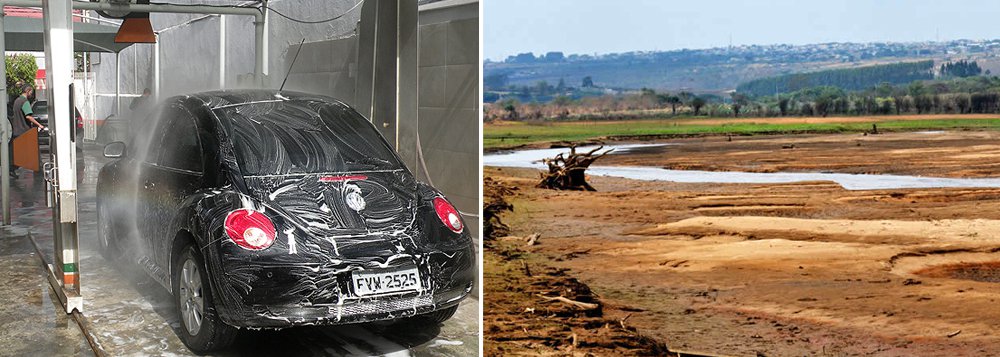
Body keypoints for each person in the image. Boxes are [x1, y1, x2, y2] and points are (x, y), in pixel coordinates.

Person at [9, 85, 44, 178]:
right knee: (33, 150)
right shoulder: (25, 102)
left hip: (16, 131)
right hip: (25, 131)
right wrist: (39, 125)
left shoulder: (16, 101)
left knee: (21, 152)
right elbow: (28, 116)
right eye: (31, 92)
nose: (32, 94)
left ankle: (12, 168)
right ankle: (39, 170)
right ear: (27, 91)